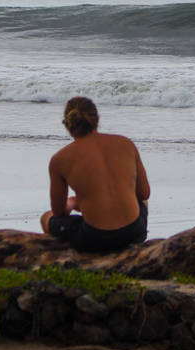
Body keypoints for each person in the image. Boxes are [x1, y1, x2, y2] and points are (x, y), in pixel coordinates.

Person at [40, 96, 151, 252]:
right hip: (134, 232)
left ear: (68, 124)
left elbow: (58, 212)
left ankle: (66, 258)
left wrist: (72, 203)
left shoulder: (60, 159)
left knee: (46, 218)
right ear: (97, 119)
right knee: (143, 203)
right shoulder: (125, 143)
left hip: (95, 238)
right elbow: (144, 193)